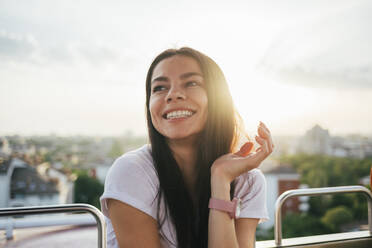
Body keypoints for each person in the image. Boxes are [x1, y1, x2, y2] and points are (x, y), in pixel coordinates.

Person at [100, 47, 274, 248]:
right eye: (159, 88)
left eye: (191, 83)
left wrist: (220, 180)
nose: (173, 95)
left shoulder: (248, 181)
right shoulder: (132, 172)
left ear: (218, 98)